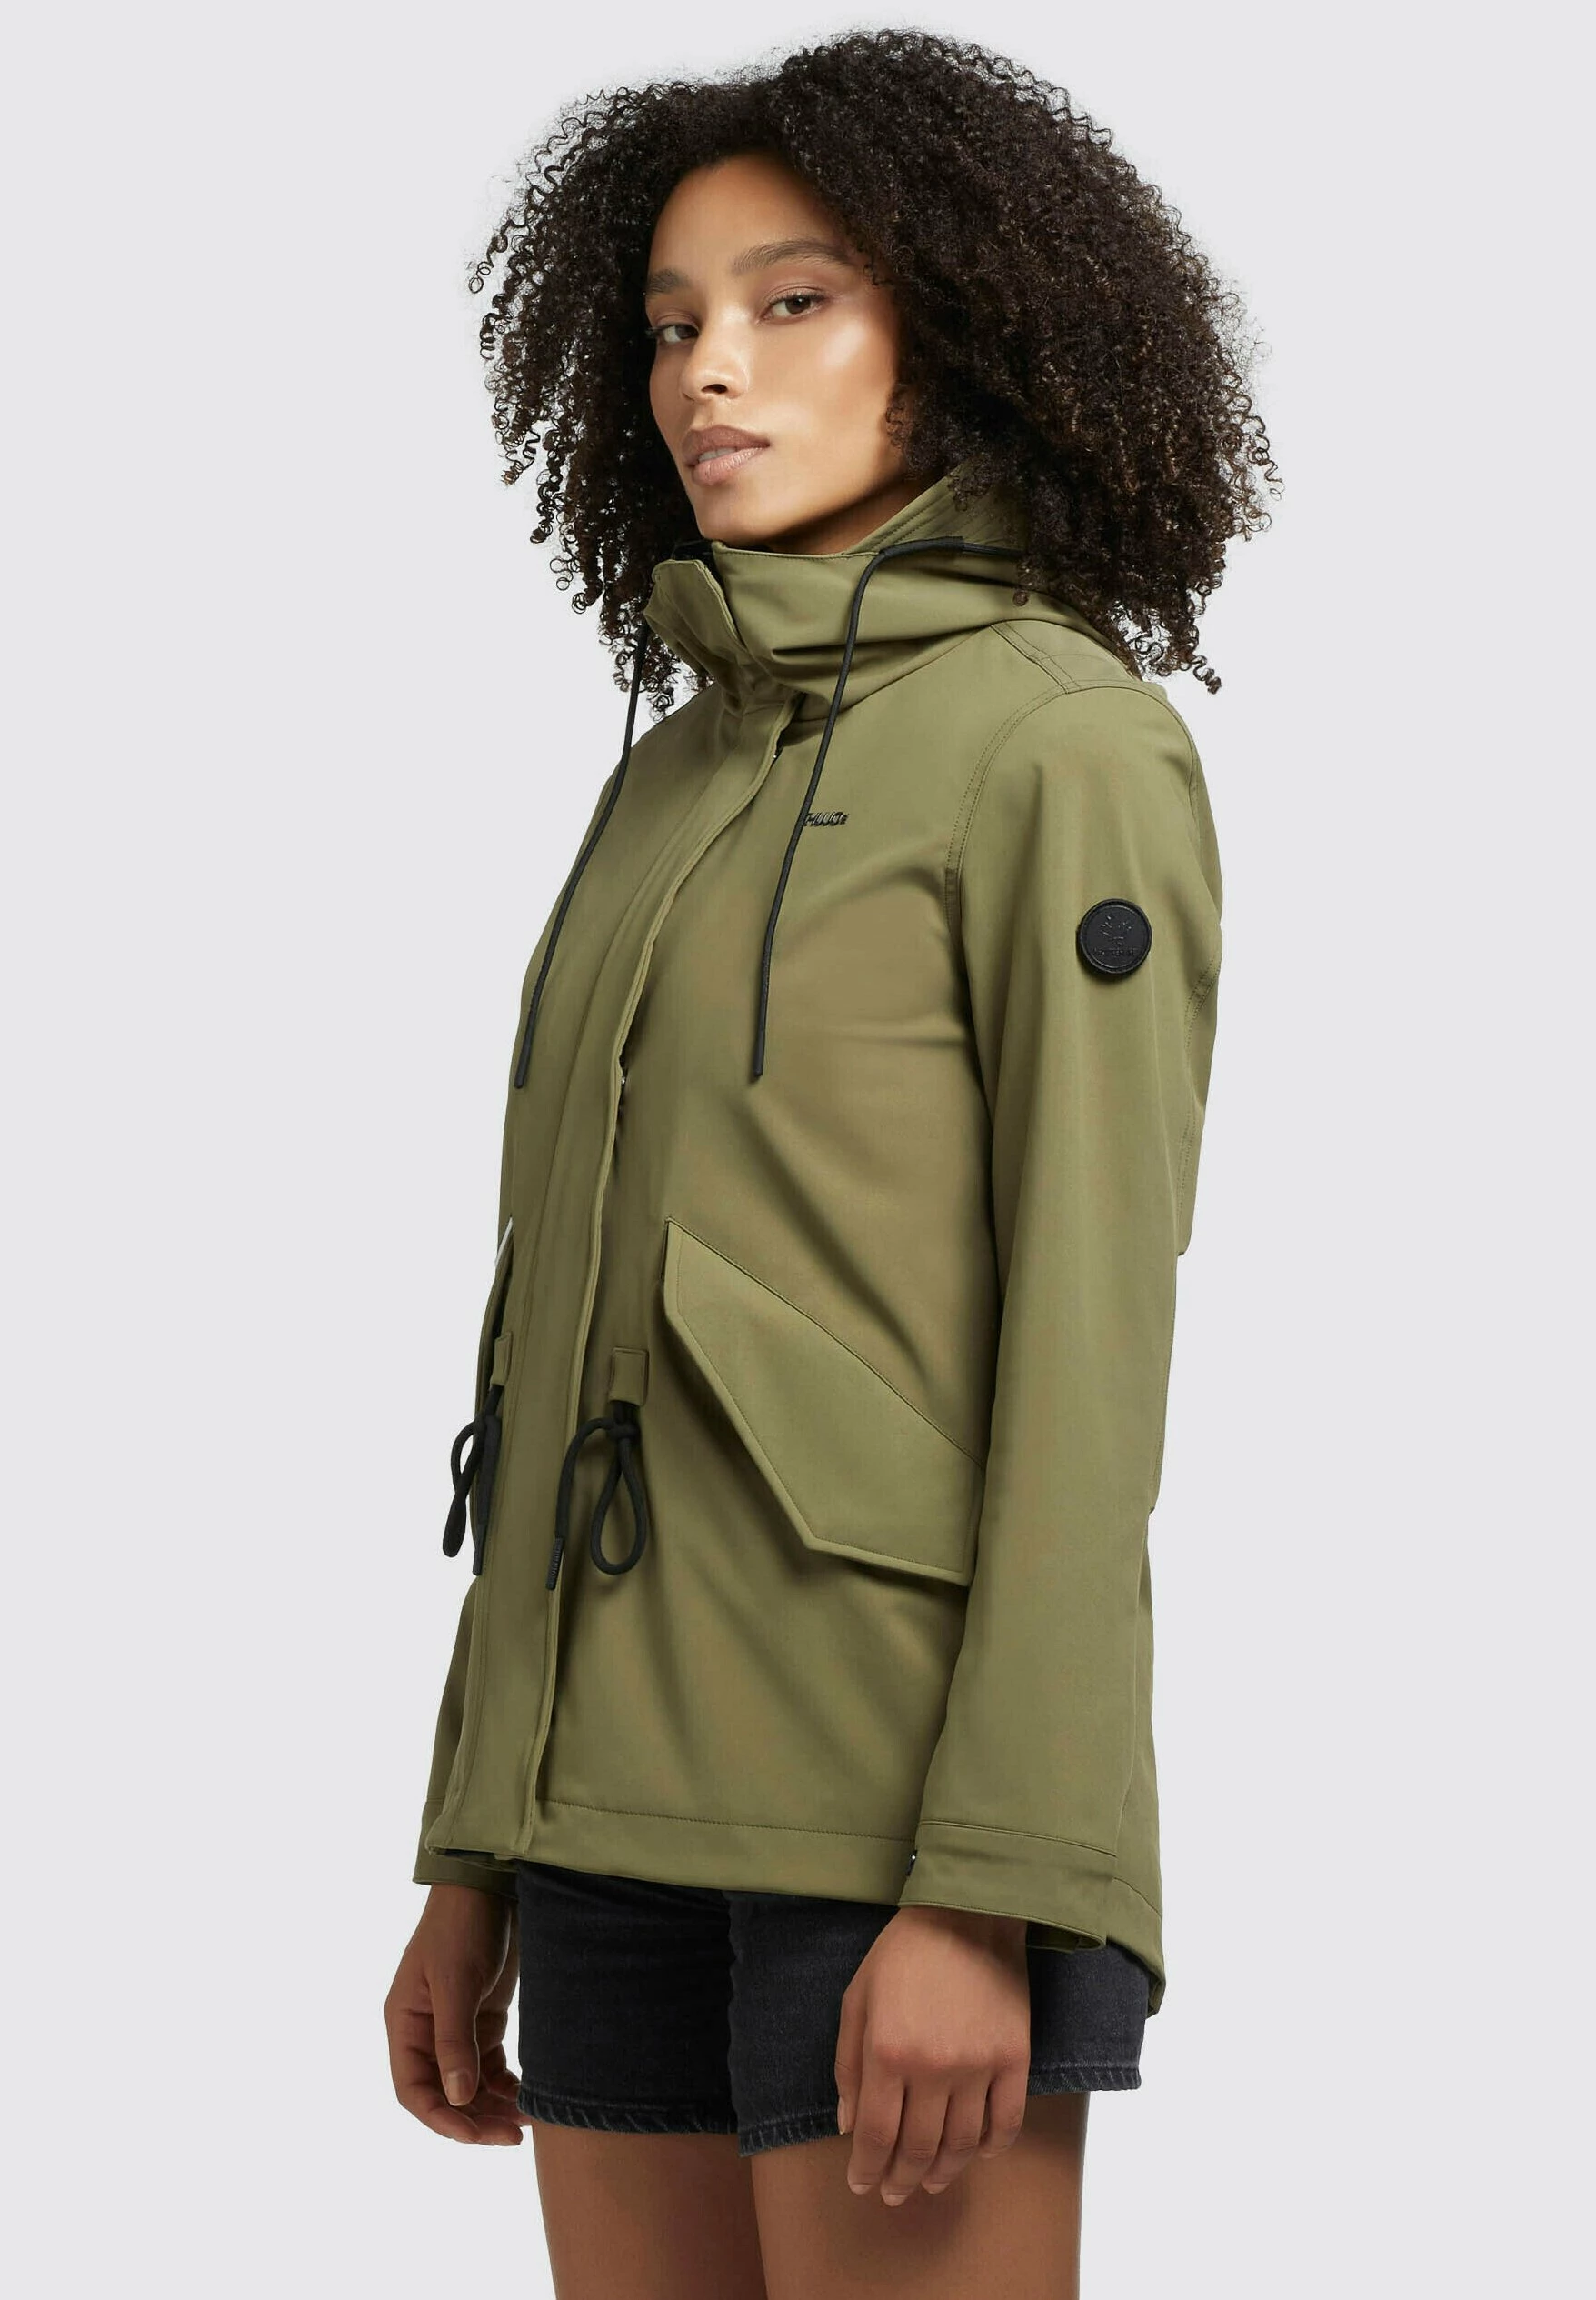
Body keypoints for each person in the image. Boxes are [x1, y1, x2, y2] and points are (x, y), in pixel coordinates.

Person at [384, 27, 1275, 2296]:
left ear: (954, 334)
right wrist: (476, 1842)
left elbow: (1088, 1351)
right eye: (673, 319)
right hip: (601, 1809)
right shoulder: (670, 772)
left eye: (792, 303)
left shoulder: (1062, 746)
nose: (710, 369)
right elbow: (555, 1318)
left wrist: (996, 1881)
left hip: (890, 1817)